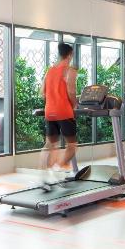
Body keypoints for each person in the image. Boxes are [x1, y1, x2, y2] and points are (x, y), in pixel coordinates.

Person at [39, 42, 79, 189]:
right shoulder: (69, 70)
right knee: (72, 146)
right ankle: (58, 168)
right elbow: (71, 91)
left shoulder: (49, 71)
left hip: (50, 112)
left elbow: (42, 92)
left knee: (50, 145)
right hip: (64, 111)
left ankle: (43, 177)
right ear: (70, 55)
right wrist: (74, 104)